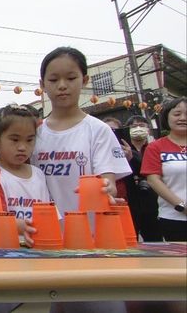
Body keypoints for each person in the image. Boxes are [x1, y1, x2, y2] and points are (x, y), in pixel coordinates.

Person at [32, 47, 132, 218]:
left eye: (71, 78)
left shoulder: (99, 130)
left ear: (84, 80)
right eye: (53, 79)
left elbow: (109, 183)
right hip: (44, 234)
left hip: (90, 233)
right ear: (43, 85)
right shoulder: (34, 133)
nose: (62, 85)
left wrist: (107, 188)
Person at [0, 105, 45, 247]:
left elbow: (47, 212)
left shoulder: (38, 174)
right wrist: (24, 226)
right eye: (15, 140)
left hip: (35, 248)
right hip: (0, 250)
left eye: (29, 140)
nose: (22, 147)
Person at [141, 97, 187, 241]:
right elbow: (153, 180)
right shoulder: (155, 147)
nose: (183, 118)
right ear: (167, 117)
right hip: (174, 217)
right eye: (177, 114)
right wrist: (181, 206)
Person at [123, 115, 163, 241]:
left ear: (148, 130)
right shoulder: (123, 148)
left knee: (154, 238)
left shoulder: (155, 148)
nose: (138, 128)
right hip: (130, 198)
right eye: (134, 126)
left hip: (152, 199)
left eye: (142, 126)